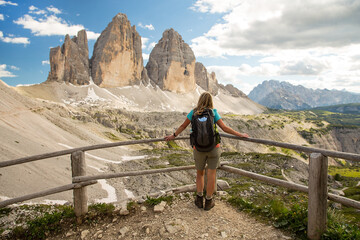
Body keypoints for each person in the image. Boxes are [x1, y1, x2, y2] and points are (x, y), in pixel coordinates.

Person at [165, 92, 249, 210]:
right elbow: (224, 128)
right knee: (211, 174)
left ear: (200, 100)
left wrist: (173, 135)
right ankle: (209, 201)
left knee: (200, 174)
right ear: (210, 101)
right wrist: (240, 134)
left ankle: (199, 199)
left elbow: (183, 126)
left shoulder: (193, 112)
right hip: (213, 148)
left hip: (198, 148)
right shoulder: (213, 112)